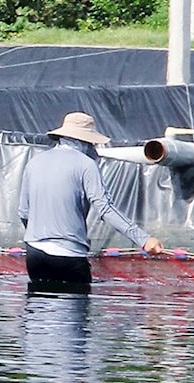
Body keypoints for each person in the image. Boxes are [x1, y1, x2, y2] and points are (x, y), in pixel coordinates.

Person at [19, 111, 166, 291]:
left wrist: (41, 235)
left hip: (34, 255)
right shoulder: (86, 164)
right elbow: (105, 208)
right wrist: (144, 239)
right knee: (74, 312)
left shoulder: (34, 162)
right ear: (85, 140)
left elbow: (24, 213)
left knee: (38, 313)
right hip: (69, 256)